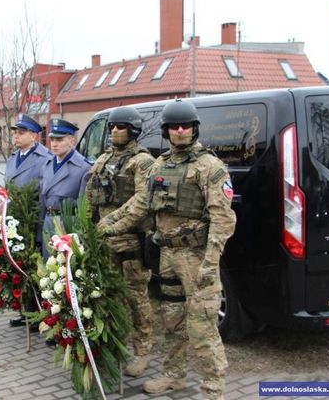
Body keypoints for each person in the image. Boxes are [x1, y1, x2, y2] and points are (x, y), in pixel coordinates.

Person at [99, 99, 236, 399]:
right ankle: (174, 377)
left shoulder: (209, 168)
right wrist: (110, 224)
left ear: (195, 128)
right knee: (172, 321)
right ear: (166, 130)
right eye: (174, 126)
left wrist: (211, 263)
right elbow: (140, 204)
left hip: (198, 259)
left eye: (186, 125)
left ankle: (214, 390)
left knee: (201, 327)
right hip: (169, 257)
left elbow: (223, 219)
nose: (180, 130)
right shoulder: (160, 166)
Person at [85, 106, 156, 377]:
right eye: (112, 126)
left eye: (121, 126)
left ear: (133, 129)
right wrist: (88, 228)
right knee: (107, 296)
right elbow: (91, 196)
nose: (115, 130)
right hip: (103, 242)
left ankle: (143, 351)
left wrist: (113, 226)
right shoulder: (102, 159)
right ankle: (115, 344)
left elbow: (143, 202)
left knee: (136, 297)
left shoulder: (142, 161)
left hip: (130, 243)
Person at [5, 114, 51, 328]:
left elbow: (44, 194)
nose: (16, 135)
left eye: (21, 132)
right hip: (15, 221)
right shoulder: (13, 157)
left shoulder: (44, 158)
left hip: (33, 220)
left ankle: (39, 315)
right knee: (19, 266)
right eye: (15, 132)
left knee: (34, 269)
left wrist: (41, 223)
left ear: (33, 135)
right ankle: (25, 312)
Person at [40, 118, 91, 258]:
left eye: (60, 140)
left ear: (71, 141)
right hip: (48, 222)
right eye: (52, 140)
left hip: (68, 226)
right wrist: (40, 232)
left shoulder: (83, 168)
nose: (54, 144)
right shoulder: (47, 164)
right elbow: (42, 202)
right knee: (48, 268)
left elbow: (83, 208)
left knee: (65, 272)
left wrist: (80, 237)